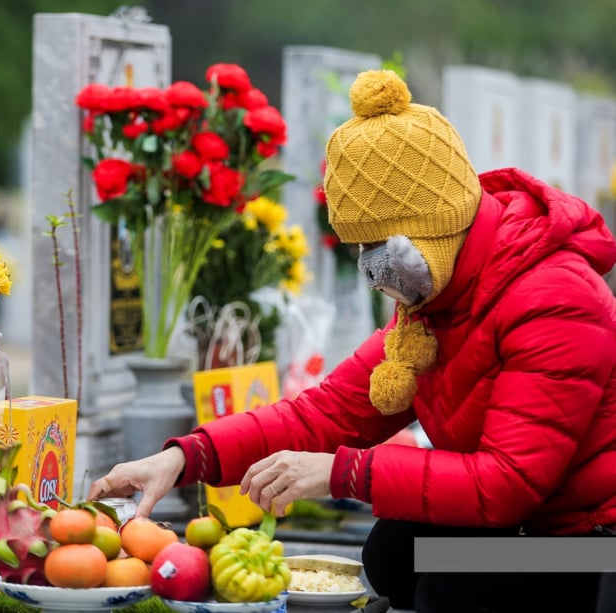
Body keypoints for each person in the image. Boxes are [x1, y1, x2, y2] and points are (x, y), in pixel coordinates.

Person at [89, 69, 616, 613]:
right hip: (527, 530)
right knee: (392, 554)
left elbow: (506, 485)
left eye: (379, 244)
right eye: (358, 247)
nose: (372, 267)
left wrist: (344, 473)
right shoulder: (435, 302)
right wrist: (186, 457)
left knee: (449, 587)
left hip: (587, 547)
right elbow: (325, 413)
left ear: (432, 227)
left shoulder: (553, 298)